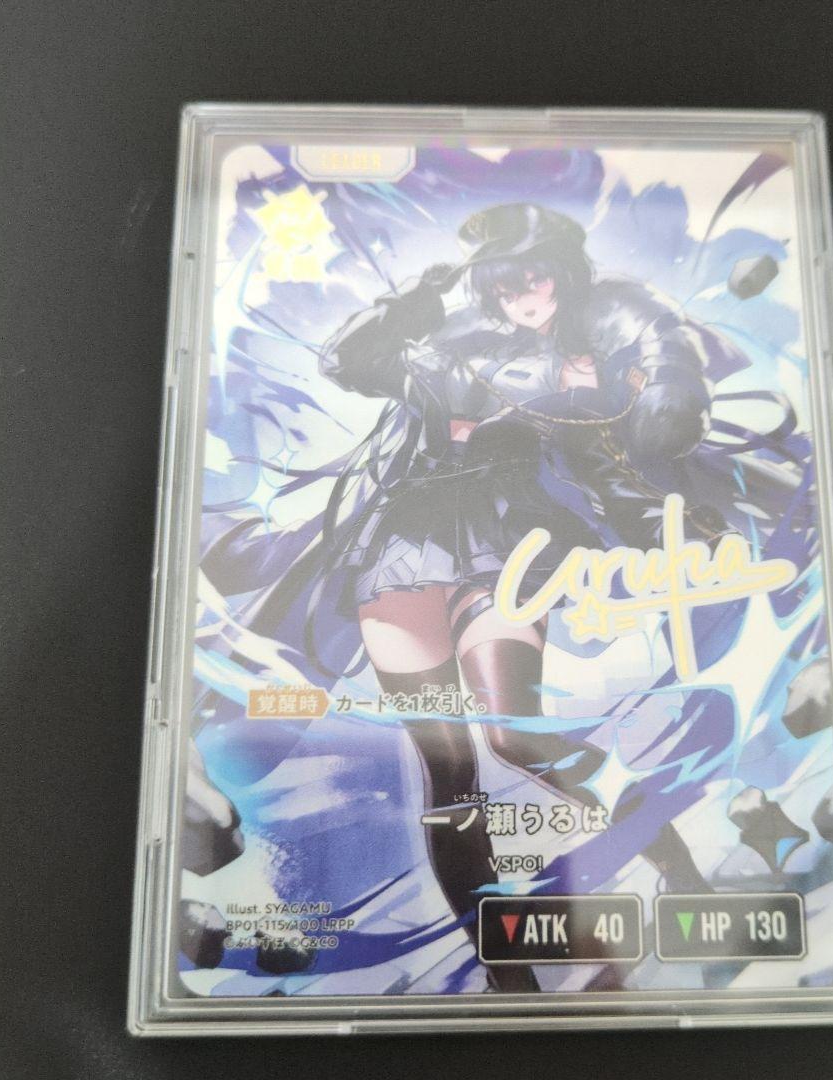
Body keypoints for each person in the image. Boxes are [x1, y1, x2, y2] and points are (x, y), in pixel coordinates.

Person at [316, 203, 761, 991]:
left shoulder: (574, 364)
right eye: (505, 282)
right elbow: (346, 360)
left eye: (535, 277)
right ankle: (508, 975)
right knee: (447, 775)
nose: (522, 295)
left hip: (505, 549)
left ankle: (675, 866)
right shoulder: (443, 344)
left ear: (562, 274)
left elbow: (610, 459)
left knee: (517, 735)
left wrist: (665, 522)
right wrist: (423, 294)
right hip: (403, 554)